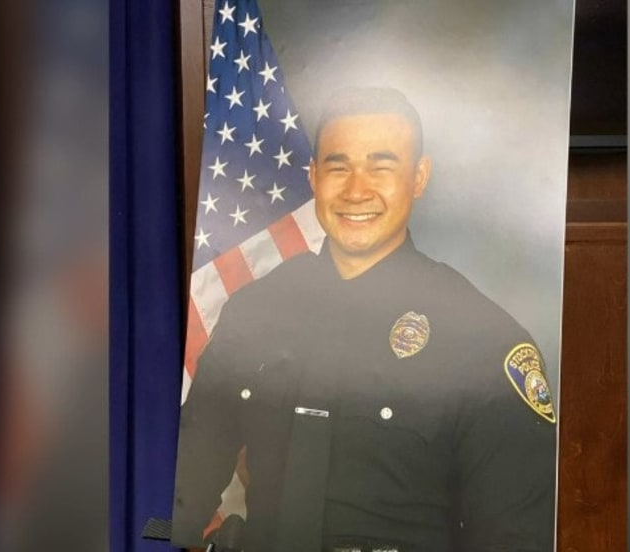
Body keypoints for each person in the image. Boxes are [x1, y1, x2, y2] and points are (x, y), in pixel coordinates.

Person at [172, 87, 556, 552]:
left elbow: (517, 538)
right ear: (314, 177)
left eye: (381, 167)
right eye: (338, 167)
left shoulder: (482, 341)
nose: (356, 190)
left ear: (419, 177)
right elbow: (176, 495)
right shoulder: (255, 313)